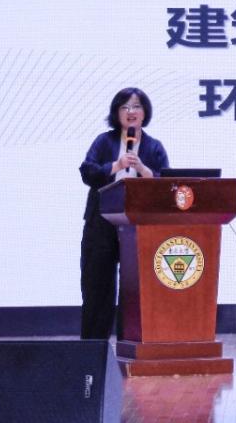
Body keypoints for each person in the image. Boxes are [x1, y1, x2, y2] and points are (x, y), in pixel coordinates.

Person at [78, 87, 169, 339]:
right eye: (125, 107)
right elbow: (87, 172)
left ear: (145, 112)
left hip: (139, 226)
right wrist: (115, 165)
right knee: (97, 287)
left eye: (137, 106)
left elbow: (167, 184)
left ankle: (133, 345)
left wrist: (145, 171)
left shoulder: (153, 147)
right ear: (116, 113)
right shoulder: (104, 141)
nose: (131, 112)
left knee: (135, 289)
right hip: (101, 223)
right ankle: (94, 349)